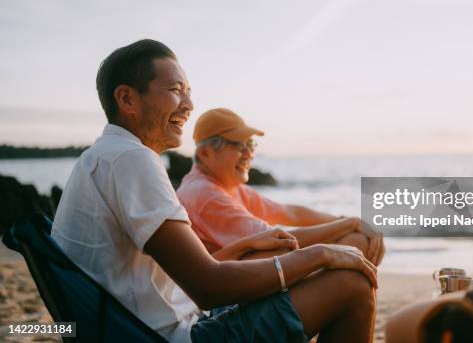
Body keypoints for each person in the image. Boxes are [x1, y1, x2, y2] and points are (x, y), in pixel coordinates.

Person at [51, 39, 377, 343]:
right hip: (174, 335)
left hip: (147, 322)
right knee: (351, 286)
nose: (189, 104)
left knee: (299, 264)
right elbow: (208, 288)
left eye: (189, 92)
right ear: (127, 99)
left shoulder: (105, 157)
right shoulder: (130, 160)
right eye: (176, 90)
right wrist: (321, 253)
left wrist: (258, 246)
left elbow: (184, 276)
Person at [176, 108, 385, 264]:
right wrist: (350, 224)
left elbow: (289, 213)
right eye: (239, 145)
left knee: (355, 241)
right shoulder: (204, 194)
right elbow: (280, 241)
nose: (249, 153)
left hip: (250, 282)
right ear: (205, 153)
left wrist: (343, 221)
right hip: (224, 304)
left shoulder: (227, 186)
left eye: (250, 145)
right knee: (355, 242)